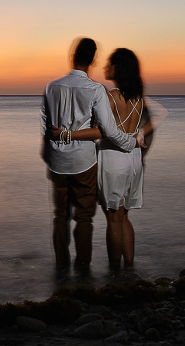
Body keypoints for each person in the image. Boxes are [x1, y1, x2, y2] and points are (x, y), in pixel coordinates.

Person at [53, 48, 167, 270]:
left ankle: (115, 272)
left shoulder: (111, 97)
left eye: (109, 64)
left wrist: (66, 135)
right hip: (134, 160)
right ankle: (130, 269)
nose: (105, 67)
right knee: (123, 217)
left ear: (118, 68)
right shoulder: (137, 98)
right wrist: (141, 132)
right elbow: (161, 113)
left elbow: (101, 133)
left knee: (113, 219)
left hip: (113, 159)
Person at [41, 38, 137, 271]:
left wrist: (49, 152)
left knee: (59, 216)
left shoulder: (51, 87)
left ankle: (61, 269)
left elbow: (45, 126)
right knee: (84, 217)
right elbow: (108, 129)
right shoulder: (95, 89)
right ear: (93, 59)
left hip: (56, 160)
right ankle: (83, 267)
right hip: (84, 161)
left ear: (72, 56)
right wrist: (131, 142)